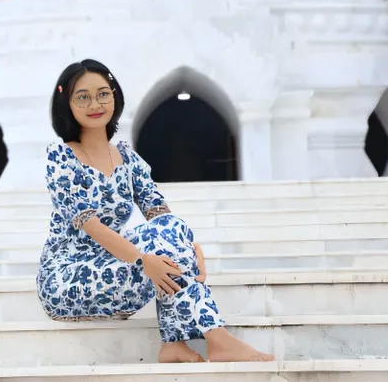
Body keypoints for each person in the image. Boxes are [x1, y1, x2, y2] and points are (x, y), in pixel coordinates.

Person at [36, 59, 274, 363]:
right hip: (68, 276)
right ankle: (217, 338)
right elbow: (91, 225)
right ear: (66, 103)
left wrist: (191, 249)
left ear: (114, 96)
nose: (95, 103)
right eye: (82, 96)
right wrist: (143, 258)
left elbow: (161, 215)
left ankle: (175, 344)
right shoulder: (62, 158)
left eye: (103, 94)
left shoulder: (127, 158)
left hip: (116, 264)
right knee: (154, 246)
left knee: (166, 230)